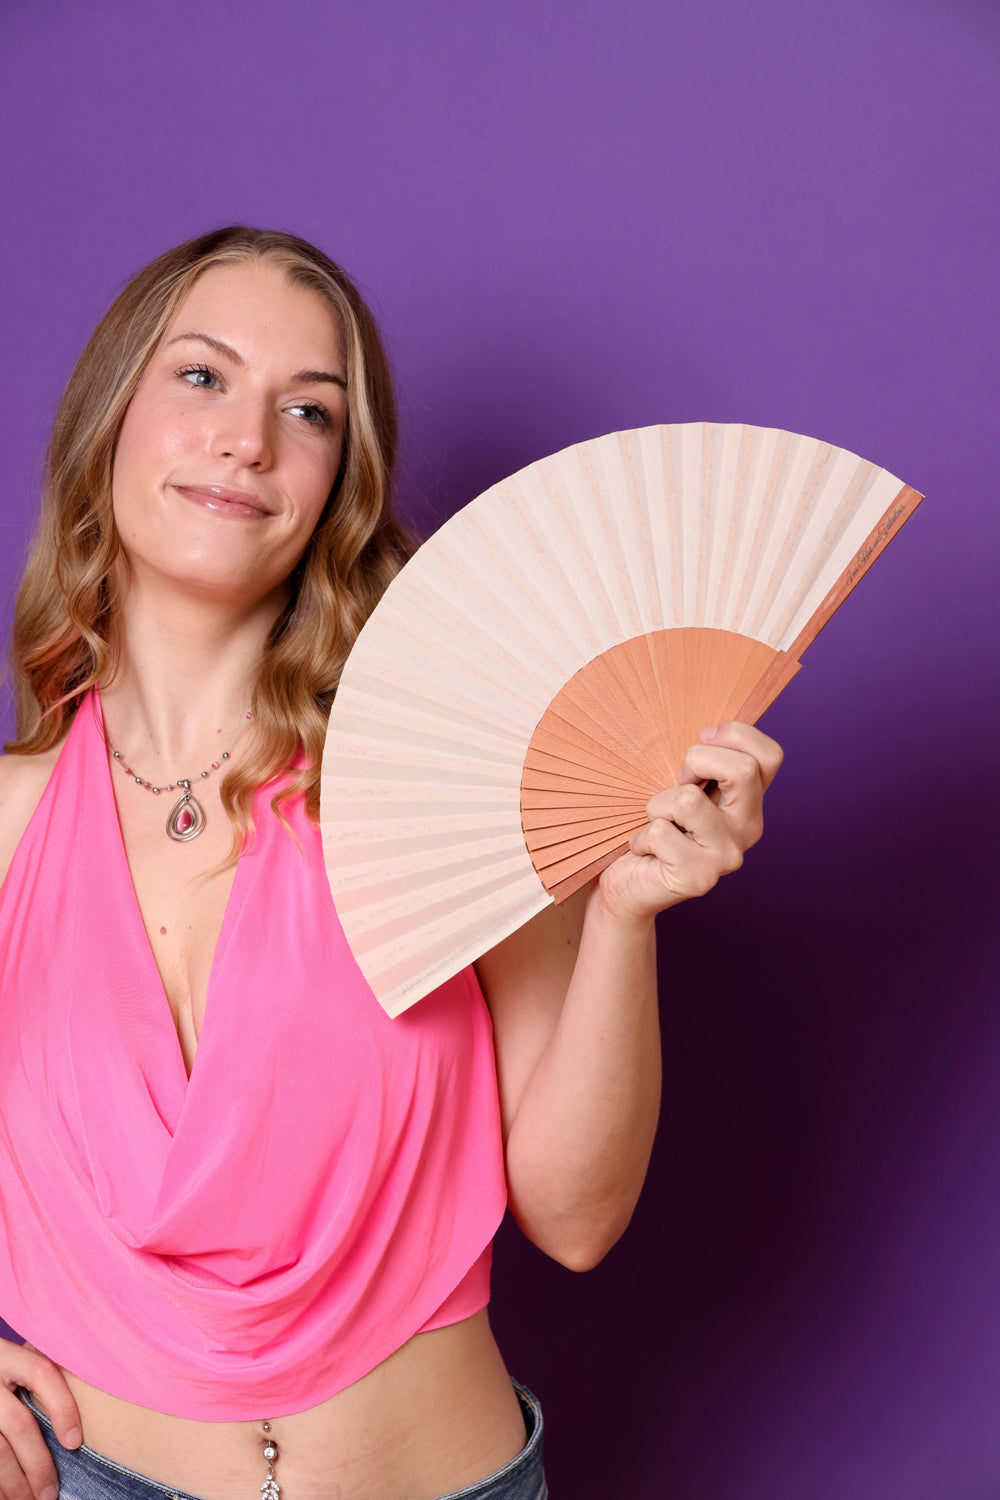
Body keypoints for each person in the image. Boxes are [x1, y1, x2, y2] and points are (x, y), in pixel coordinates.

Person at [0, 226, 782, 1500]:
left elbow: (576, 1219)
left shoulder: (448, 786)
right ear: (109, 419)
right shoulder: (8, 825)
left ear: (336, 486)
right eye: (201, 377)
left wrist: (621, 916)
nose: (247, 440)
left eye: (307, 410)